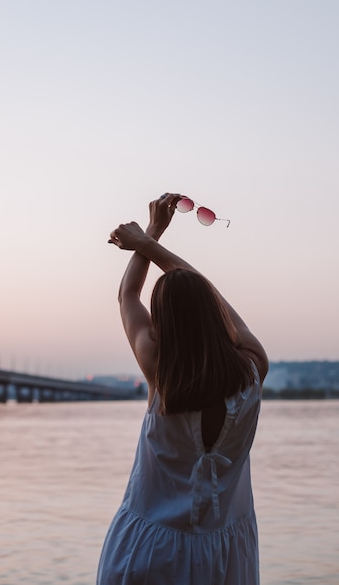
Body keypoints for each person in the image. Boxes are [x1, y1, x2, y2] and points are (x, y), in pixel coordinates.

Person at [97, 193, 269, 585]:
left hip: (147, 551)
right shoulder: (254, 369)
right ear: (214, 314)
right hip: (225, 559)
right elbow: (216, 302)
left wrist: (150, 233)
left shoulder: (162, 375)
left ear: (163, 324)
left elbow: (127, 297)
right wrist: (150, 244)